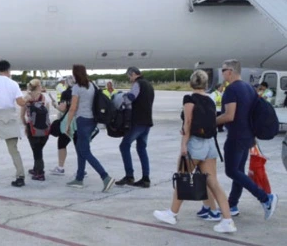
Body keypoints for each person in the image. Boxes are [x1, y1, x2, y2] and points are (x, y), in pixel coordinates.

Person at [152, 70, 236, 233]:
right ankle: (227, 220)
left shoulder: (189, 99)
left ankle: (172, 213)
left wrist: (184, 144)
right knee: (214, 183)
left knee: (183, 177)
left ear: (191, 83)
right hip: (210, 143)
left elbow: (188, 121)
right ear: (205, 84)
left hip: (195, 143)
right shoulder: (210, 99)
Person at [216, 59, 278, 220]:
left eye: (223, 70)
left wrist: (211, 121)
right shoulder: (249, 88)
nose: (222, 73)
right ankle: (232, 205)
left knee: (232, 171)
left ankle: (265, 198)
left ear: (230, 71)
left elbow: (229, 115)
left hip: (236, 136)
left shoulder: (231, 90)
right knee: (239, 172)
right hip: (248, 136)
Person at [65, 64, 115, 192]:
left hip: (82, 121)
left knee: (85, 151)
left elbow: (73, 108)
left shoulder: (77, 88)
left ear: (75, 74)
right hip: (92, 120)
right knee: (82, 149)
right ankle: (79, 178)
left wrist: (67, 124)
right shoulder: (92, 85)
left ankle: (105, 177)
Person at [116, 67, 155, 188]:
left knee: (124, 146)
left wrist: (121, 96)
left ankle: (129, 175)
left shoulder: (138, 84)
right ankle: (145, 178)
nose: (129, 79)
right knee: (141, 148)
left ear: (133, 74)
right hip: (147, 122)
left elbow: (130, 98)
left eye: (129, 76)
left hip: (138, 122)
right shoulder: (149, 85)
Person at [21, 79, 51, 181]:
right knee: (39, 149)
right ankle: (36, 168)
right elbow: (48, 112)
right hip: (45, 128)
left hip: (33, 128)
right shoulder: (44, 98)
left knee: (36, 150)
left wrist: (26, 125)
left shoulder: (26, 98)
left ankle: (40, 173)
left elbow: (22, 116)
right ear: (39, 86)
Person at [49, 75, 75, 176]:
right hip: (80, 121)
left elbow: (63, 108)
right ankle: (82, 169)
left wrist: (55, 105)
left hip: (69, 122)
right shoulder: (81, 91)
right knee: (79, 146)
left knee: (61, 143)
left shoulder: (66, 93)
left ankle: (60, 167)